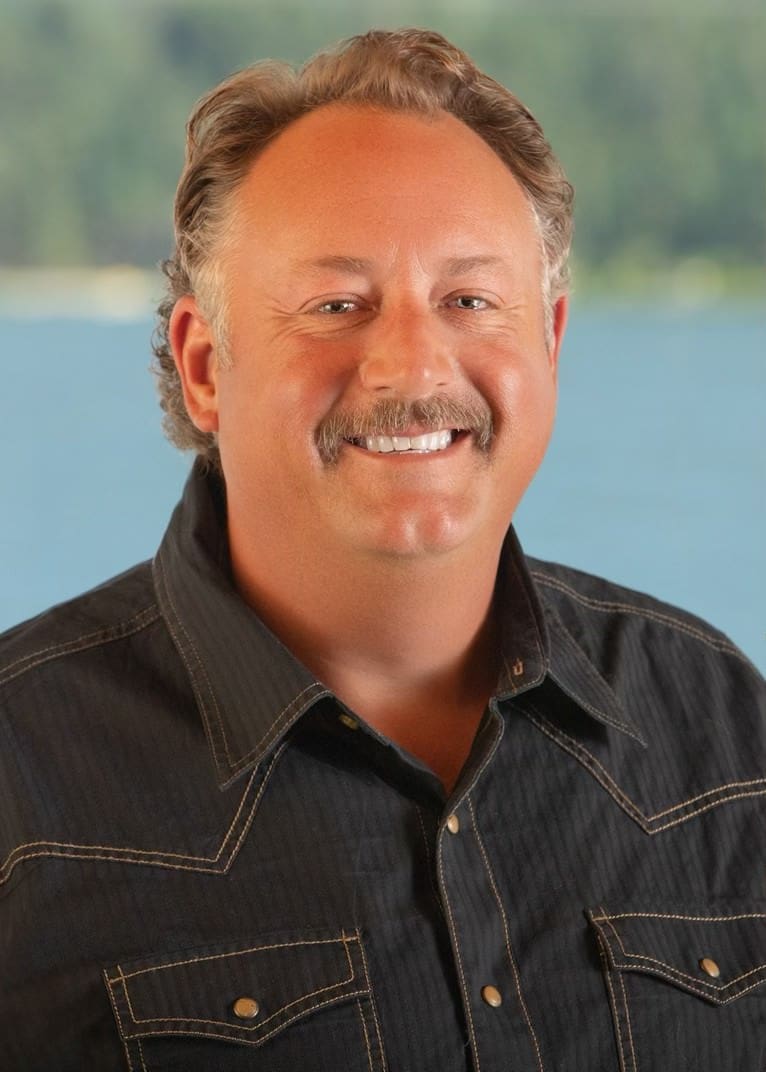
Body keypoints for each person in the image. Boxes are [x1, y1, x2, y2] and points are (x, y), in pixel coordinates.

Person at [1, 27, 764, 1071]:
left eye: (467, 299)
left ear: (549, 339)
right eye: (336, 305)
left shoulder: (718, 723)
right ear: (204, 364)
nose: (411, 360)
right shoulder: (20, 776)